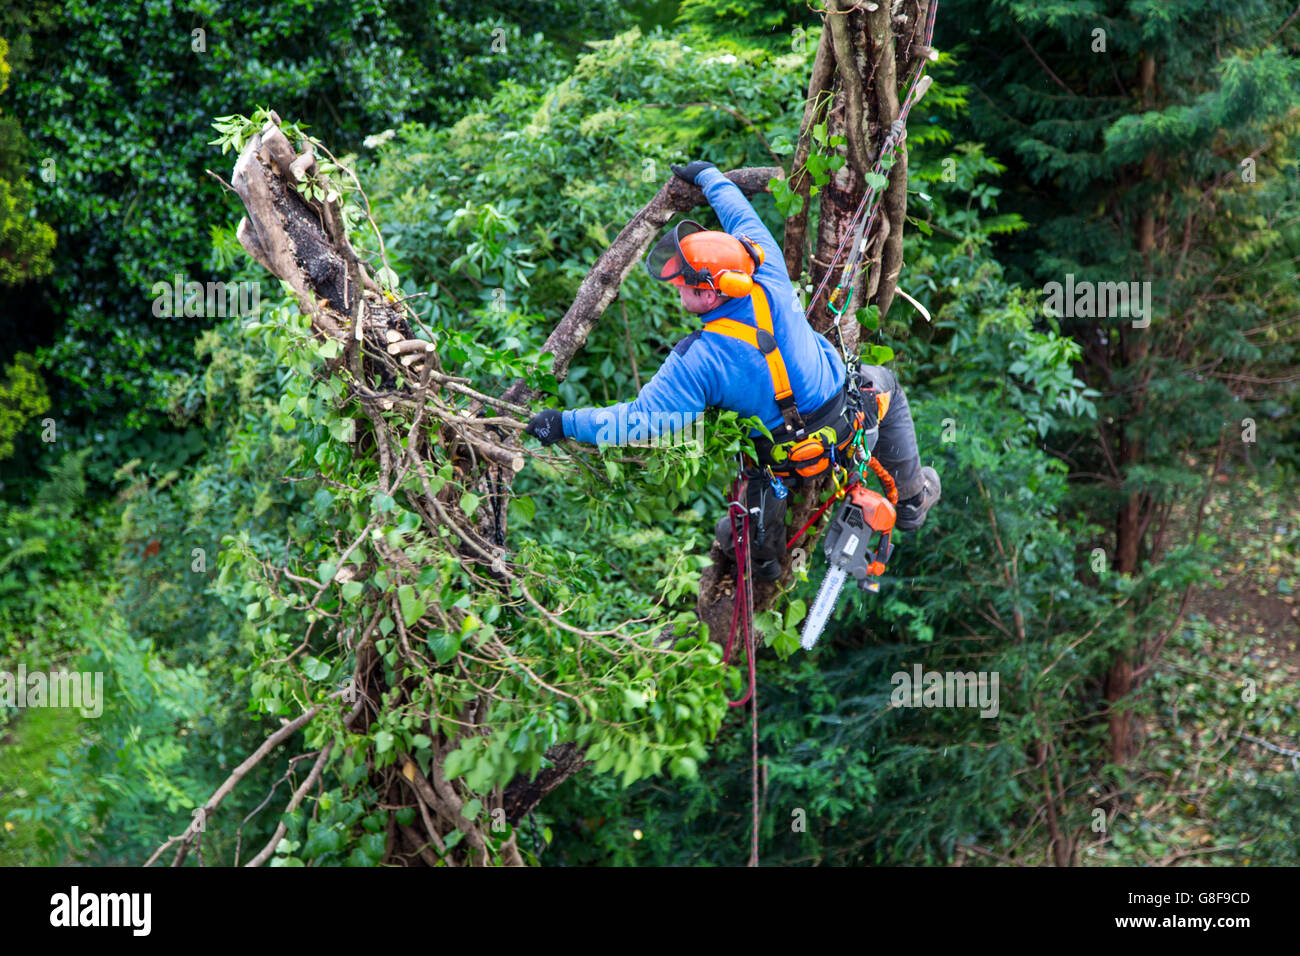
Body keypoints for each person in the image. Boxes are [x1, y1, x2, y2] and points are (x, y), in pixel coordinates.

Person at [525, 160, 939, 580]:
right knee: (885, 383)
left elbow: (637, 423)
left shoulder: (699, 360)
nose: (677, 286)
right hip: (847, 417)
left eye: (684, 283)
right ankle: (910, 503)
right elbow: (741, 217)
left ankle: (764, 559)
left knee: (748, 521)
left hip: (783, 460)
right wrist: (709, 176)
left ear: (708, 294)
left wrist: (564, 424)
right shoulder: (768, 272)